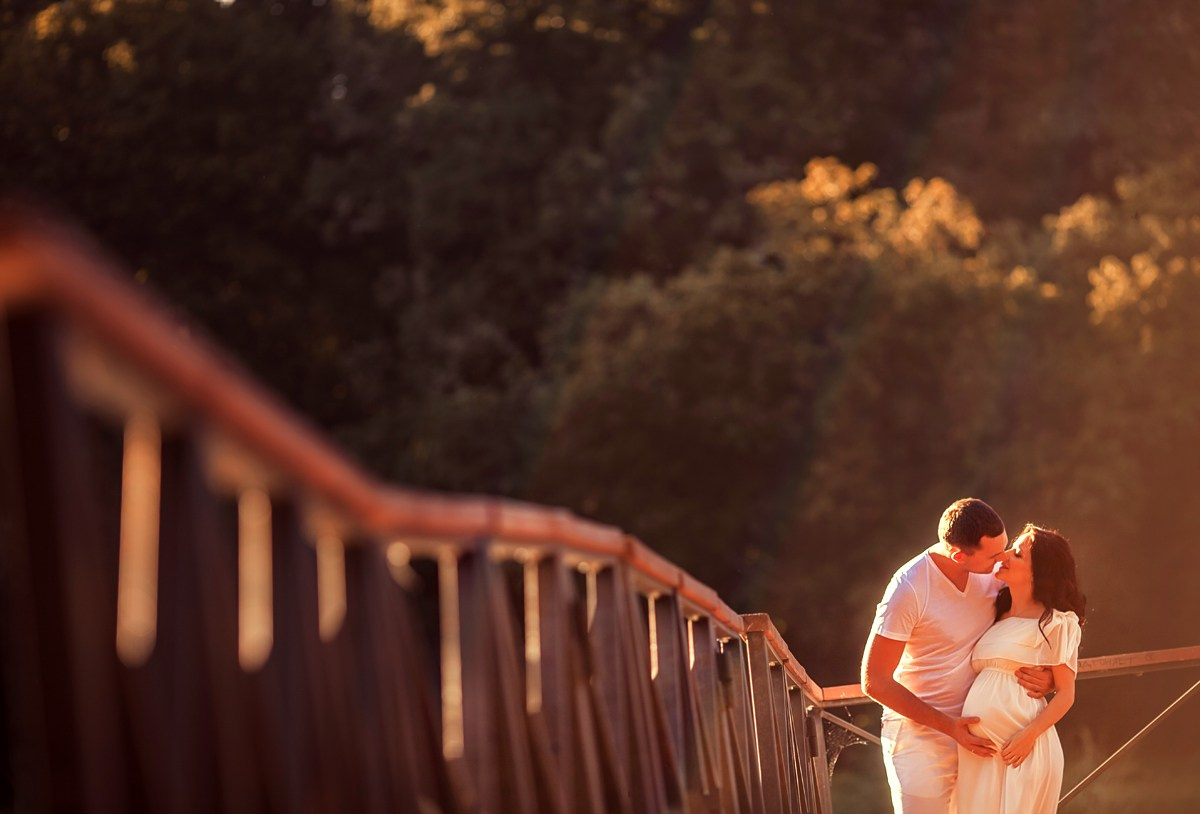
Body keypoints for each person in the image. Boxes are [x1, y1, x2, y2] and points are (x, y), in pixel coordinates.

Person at [862, 498, 1053, 814]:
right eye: (994, 554)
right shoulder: (909, 588)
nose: (1003, 558)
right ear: (959, 556)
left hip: (984, 735)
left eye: (1005, 548)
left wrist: (1047, 677)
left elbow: (1030, 628)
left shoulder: (995, 572)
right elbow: (874, 681)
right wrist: (949, 726)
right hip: (920, 739)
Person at [955, 525, 1085, 813]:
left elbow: (1066, 694)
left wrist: (1028, 737)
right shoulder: (995, 611)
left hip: (1021, 750)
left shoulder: (1056, 622)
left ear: (1038, 571)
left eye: (1017, 554)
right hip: (981, 755)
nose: (1005, 556)